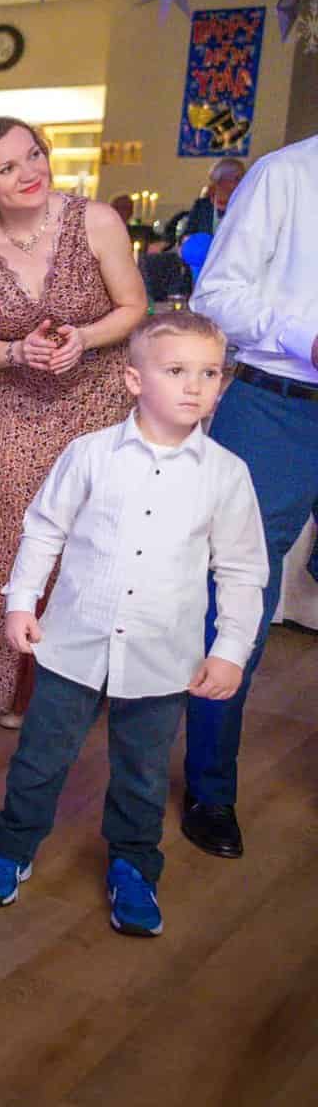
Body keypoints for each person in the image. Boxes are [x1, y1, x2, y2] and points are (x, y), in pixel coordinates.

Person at [0, 311, 265, 935]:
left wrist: (231, 649)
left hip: (162, 656)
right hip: (73, 643)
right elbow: (43, 530)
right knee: (40, 759)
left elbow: (241, 571)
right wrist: (21, 601)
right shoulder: (89, 455)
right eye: (176, 371)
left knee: (143, 773)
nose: (195, 386)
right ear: (134, 380)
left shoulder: (227, 475)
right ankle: (12, 848)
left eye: (210, 373)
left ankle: (133, 865)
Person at [0, 119, 145, 726]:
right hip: (18, 404)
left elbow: (134, 306)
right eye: (8, 167)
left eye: (33, 156)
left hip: (101, 395)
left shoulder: (96, 221)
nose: (30, 173)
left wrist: (84, 338)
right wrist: (16, 352)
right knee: (25, 536)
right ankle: (15, 687)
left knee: (98, 534)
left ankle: (93, 682)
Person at [182, 131, 318, 860]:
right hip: (277, 408)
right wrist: (308, 337)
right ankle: (210, 787)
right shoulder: (285, 174)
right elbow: (217, 296)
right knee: (239, 600)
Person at [179, 156, 246, 240]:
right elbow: (187, 234)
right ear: (220, 179)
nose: (242, 182)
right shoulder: (201, 206)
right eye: (237, 178)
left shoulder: (245, 205)